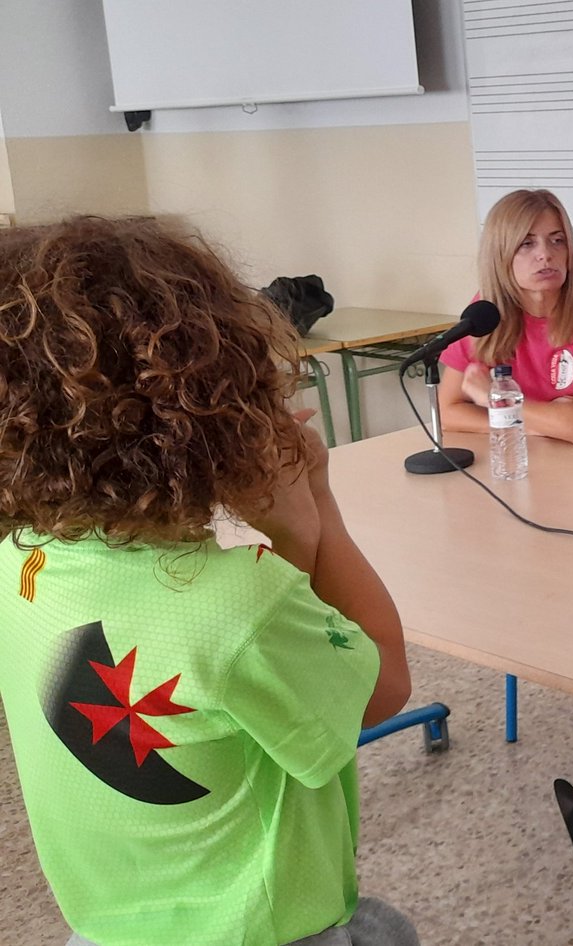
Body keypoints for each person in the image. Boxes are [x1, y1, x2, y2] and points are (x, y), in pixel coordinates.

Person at [0, 216, 418, 946]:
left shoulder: (22, 556)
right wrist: (308, 513)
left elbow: (224, 675)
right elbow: (379, 688)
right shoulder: (241, 600)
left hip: (107, 928)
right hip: (262, 927)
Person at [438, 188, 573, 452]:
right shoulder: (486, 312)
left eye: (557, 240)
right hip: (539, 458)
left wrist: (495, 400)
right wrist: (536, 421)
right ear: (499, 255)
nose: (546, 254)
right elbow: (448, 412)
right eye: (527, 243)